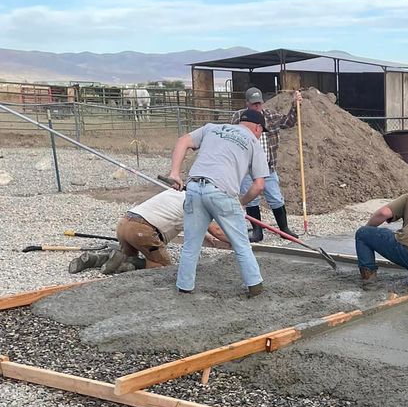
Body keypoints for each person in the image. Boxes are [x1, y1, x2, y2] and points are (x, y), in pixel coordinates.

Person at [166, 112, 269, 297]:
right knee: (241, 244)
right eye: (261, 131)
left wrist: (175, 172)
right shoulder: (254, 143)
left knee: (191, 244)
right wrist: (241, 202)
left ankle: (184, 287)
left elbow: (183, 141)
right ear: (257, 128)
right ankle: (255, 286)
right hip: (222, 191)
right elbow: (259, 186)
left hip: (194, 187)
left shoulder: (211, 128)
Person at [67, 188, 229, 276]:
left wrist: (204, 234)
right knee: (163, 265)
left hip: (124, 224)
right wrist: (238, 242)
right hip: (142, 230)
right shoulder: (197, 204)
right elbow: (218, 231)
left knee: (130, 255)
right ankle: (127, 266)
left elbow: (190, 223)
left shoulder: (176, 194)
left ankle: (96, 259)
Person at [231, 86, 301, 242]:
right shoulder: (238, 117)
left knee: (276, 198)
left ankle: (284, 229)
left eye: (259, 103)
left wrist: (295, 106)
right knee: (252, 199)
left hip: (268, 167)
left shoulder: (270, 116)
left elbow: (288, 122)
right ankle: (257, 231)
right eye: (253, 104)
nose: (257, 106)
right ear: (247, 103)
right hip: (247, 168)